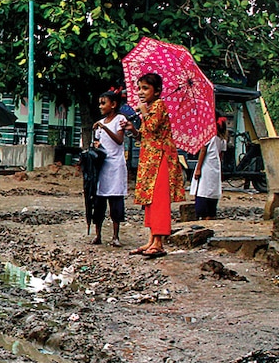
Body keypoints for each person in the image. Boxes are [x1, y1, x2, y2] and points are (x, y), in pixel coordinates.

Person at [127, 72, 185, 258]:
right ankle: (152, 239)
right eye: (139, 88)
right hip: (149, 160)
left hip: (160, 158)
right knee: (149, 200)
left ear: (157, 91)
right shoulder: (151, 107)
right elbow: (145, 135)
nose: (141, 92)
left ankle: (159, 243)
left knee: (159, 200)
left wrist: (143, 112)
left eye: (145, 88)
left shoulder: (159, 106)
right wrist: (132, 129)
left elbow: (152, 127)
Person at [91, 87, 129, 246]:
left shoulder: (119, 119)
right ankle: (98, 235)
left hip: (115, 167)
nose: (100, 106)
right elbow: (99, 143)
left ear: (113, 104)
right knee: (99, 202)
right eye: (99, 104)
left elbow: (119, 140)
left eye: (103, 103)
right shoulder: (100, 123)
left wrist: (105, 127)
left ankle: (115, 236)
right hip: (103, 167)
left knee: (115, 202)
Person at [191, 116, 227, 220]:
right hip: (215, 167)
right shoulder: (222, 139)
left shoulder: (208, 136)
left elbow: (203, 151)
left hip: (206, 165)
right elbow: (221, 156)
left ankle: (202, 213)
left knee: (203, 189)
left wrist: (198, 168)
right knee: (212, 190)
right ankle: (210, 214)